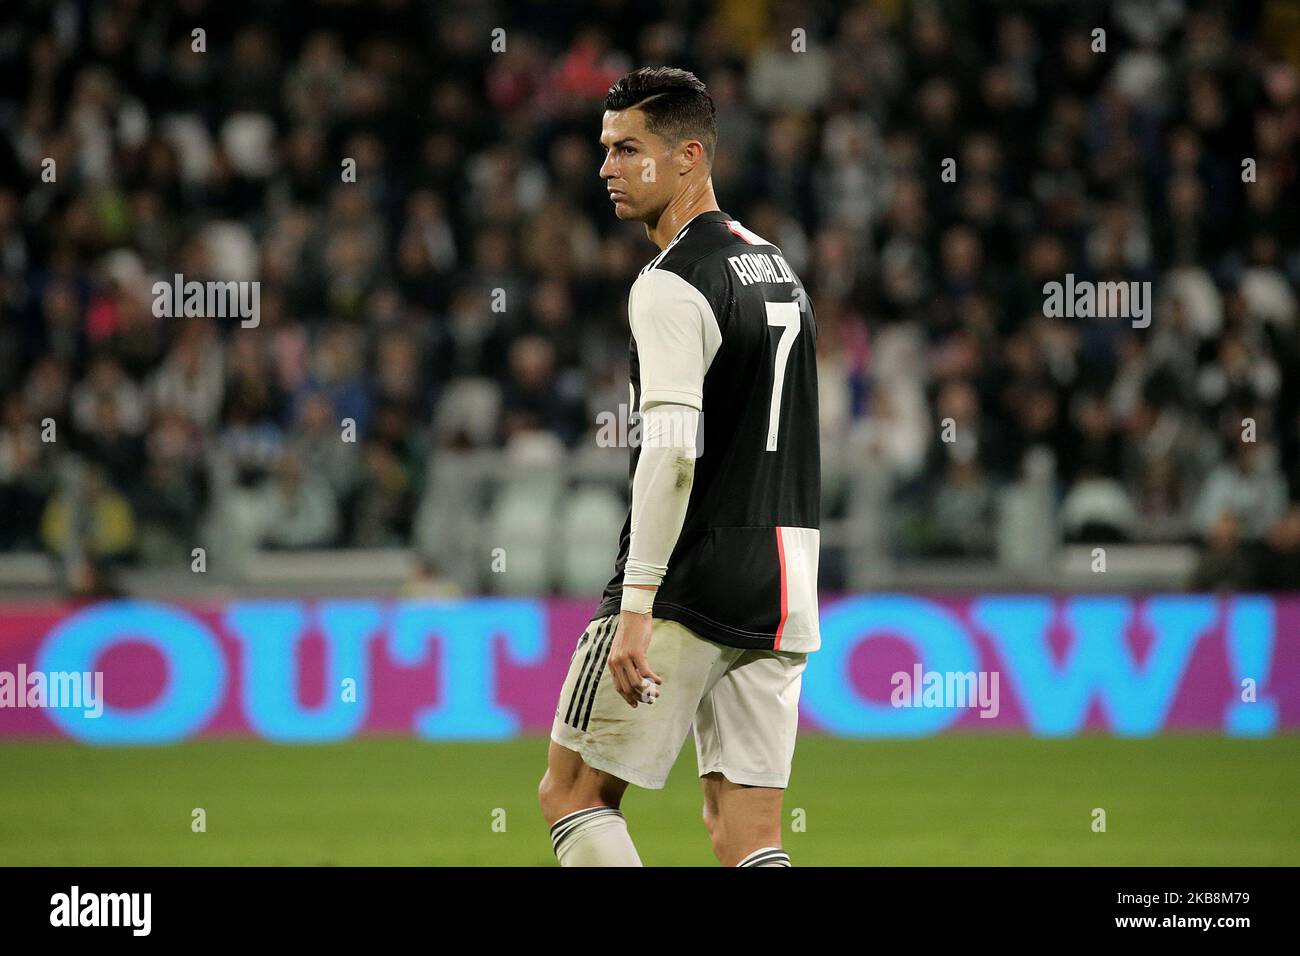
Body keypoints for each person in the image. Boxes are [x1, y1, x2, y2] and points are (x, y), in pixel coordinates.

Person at [538, 67, 821, 867]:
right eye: (605, 150)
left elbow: (670, 456)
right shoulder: (777, 268)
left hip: (689, 579)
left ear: (689, 156)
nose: (606, 169)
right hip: (785, 579)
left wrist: (636, 605)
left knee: (574, 795)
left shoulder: (669, 284)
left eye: (629, 149)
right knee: (748, 837)